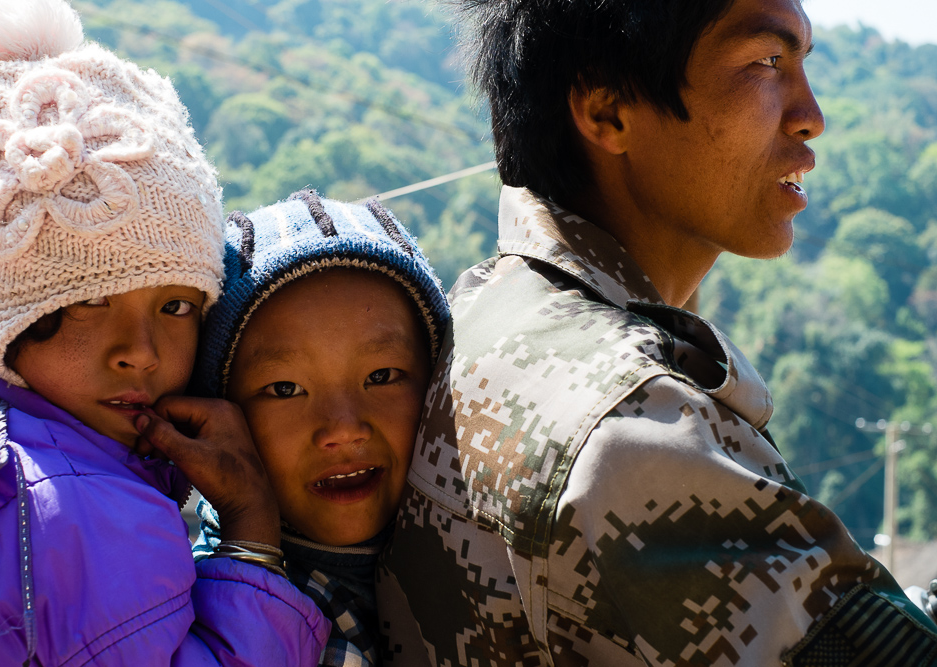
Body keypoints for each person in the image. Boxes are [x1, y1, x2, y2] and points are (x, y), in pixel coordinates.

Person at [376, 0, 937, 664]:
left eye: (801, 64)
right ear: (608, 111)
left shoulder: (481, 308)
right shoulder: (634, 429)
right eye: (765, 62)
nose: (811, 115)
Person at [0, 0, 329, 663]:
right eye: (88, 299)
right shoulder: (84, 517)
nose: (140, 353)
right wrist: (253, 534)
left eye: (177, 306)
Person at [174, 192, 450, 667]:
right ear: (220, 414)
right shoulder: (209, 620)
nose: (343, 430)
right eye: (284, 389)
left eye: (381, 377)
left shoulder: (475, 550)